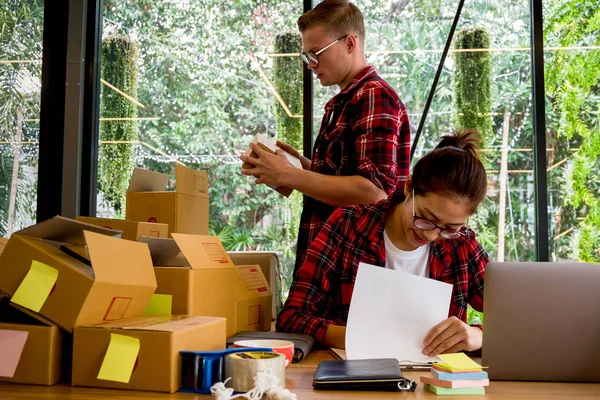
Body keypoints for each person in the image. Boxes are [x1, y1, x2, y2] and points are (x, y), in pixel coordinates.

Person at [276, 130, 489, 357]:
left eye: (449, 228)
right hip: (355, 376)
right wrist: (358, 336)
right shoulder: (348, 226)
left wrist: (478, 336)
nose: (432, 236)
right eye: (426, 219)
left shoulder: (462, 245)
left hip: (436, 383)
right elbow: (293, 317)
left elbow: (519, 321)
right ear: (409, 187)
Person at [241, 0, 411, 274]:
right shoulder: (344, 102)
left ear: (350, 43)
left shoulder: (373, 95)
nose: (311, 64)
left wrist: (288, 175)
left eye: (316, 53)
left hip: (351, 268)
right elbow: (346, 180)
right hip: (329, 261)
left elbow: (374, 192)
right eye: (307, 56)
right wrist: (301, 166)